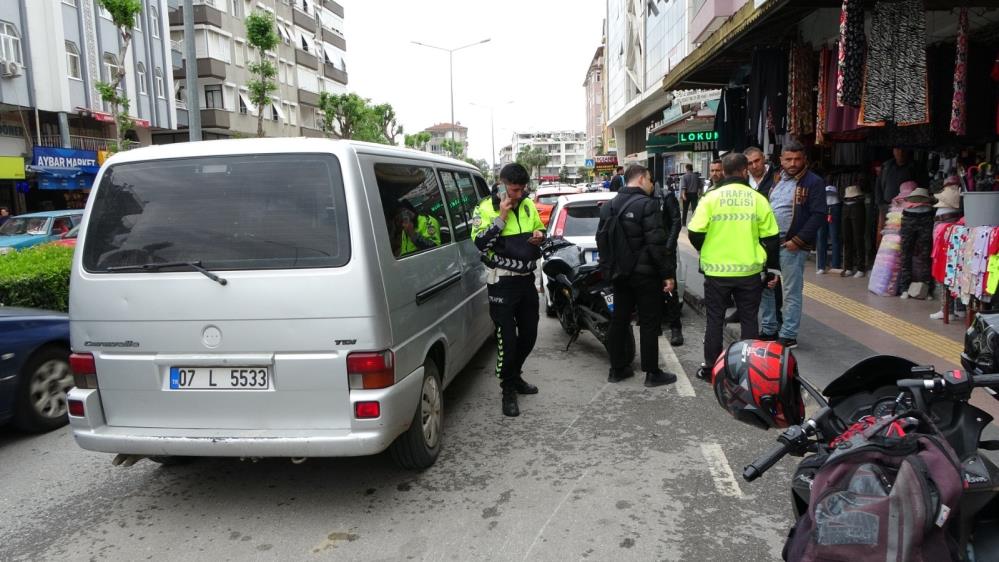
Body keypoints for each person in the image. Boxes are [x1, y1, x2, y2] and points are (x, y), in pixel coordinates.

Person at [688, 153, 780, 380]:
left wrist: (707, 248)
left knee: (715, 320)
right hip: (749, 271)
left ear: (724, 171)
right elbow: (772, 238)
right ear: (744, 171)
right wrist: (771, 269)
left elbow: (694, 232)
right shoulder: (758, 199)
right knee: (749, 320)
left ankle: (711, 368)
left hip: (716, 272)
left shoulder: (710, 198)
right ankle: (749, 372)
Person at [471, 163, 546, 417]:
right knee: (508, 340)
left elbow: (540, 230)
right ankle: (508, 390)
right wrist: (501, 217)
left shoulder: (527, 204)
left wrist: (539, 235)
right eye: (514, 189)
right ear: (502, 185)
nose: (519, 194)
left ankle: (515, 375)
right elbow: (480, 244)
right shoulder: (484, 208)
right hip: (501, 282)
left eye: (523, 189)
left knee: (530, 334)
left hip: (525, 281)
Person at [597, 164, 677, 388]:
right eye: (650, 180)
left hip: (620, 274)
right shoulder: (647, 205)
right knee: (650, 322)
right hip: (645, 275)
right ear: (641, 179)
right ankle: (652, 373)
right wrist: (667, 274)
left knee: (619, 320)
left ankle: (617, 368)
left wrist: (608, 271)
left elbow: (601, 241)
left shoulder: (609, 206)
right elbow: (656, 244)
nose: (652, 184)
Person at [758, 140, 827, 349]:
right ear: (781, 160)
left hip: (791, 245)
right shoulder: (776, 178)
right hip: (770, 242)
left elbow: (819, 215)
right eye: (788, 159)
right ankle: (769, 328)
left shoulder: (813, 182)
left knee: (791, 291)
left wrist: (798, 241)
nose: (793, 163)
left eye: (797, 159)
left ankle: (788, 334)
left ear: (804, 159)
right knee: (767, 286)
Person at [654, 177, 684, 346]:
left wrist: (669, 246)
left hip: (666, 251)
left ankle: (675, 328)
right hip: (651, 251)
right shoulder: (643, 198)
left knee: (670, 290)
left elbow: (675, 221)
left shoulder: (666, 196)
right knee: (653, 289)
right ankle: (656, 324)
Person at [874, 148, 923, 247]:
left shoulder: (914, 167)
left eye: (902, 150)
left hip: (906, 208)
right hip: (886, 205)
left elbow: (921, 187)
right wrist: (880, 204)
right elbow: (878, 185)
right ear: (893, 151)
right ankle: (881, 258)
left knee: (900, 236)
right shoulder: (887, 166)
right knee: (883, 233)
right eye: (897, 150)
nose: (900, 152)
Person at [840, 185, 867, 278]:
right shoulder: (845, 203)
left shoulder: (859, 203)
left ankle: (861, 268)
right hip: (846, 207)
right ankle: (848, 267)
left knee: (858, 238)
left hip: (857, 207)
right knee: (846, 238)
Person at [815, 184, 842, 274]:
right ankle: (821, 266)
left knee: (834, 237)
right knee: (821, 237)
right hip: (822, 205)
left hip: (834, 204)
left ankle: (835, 265)